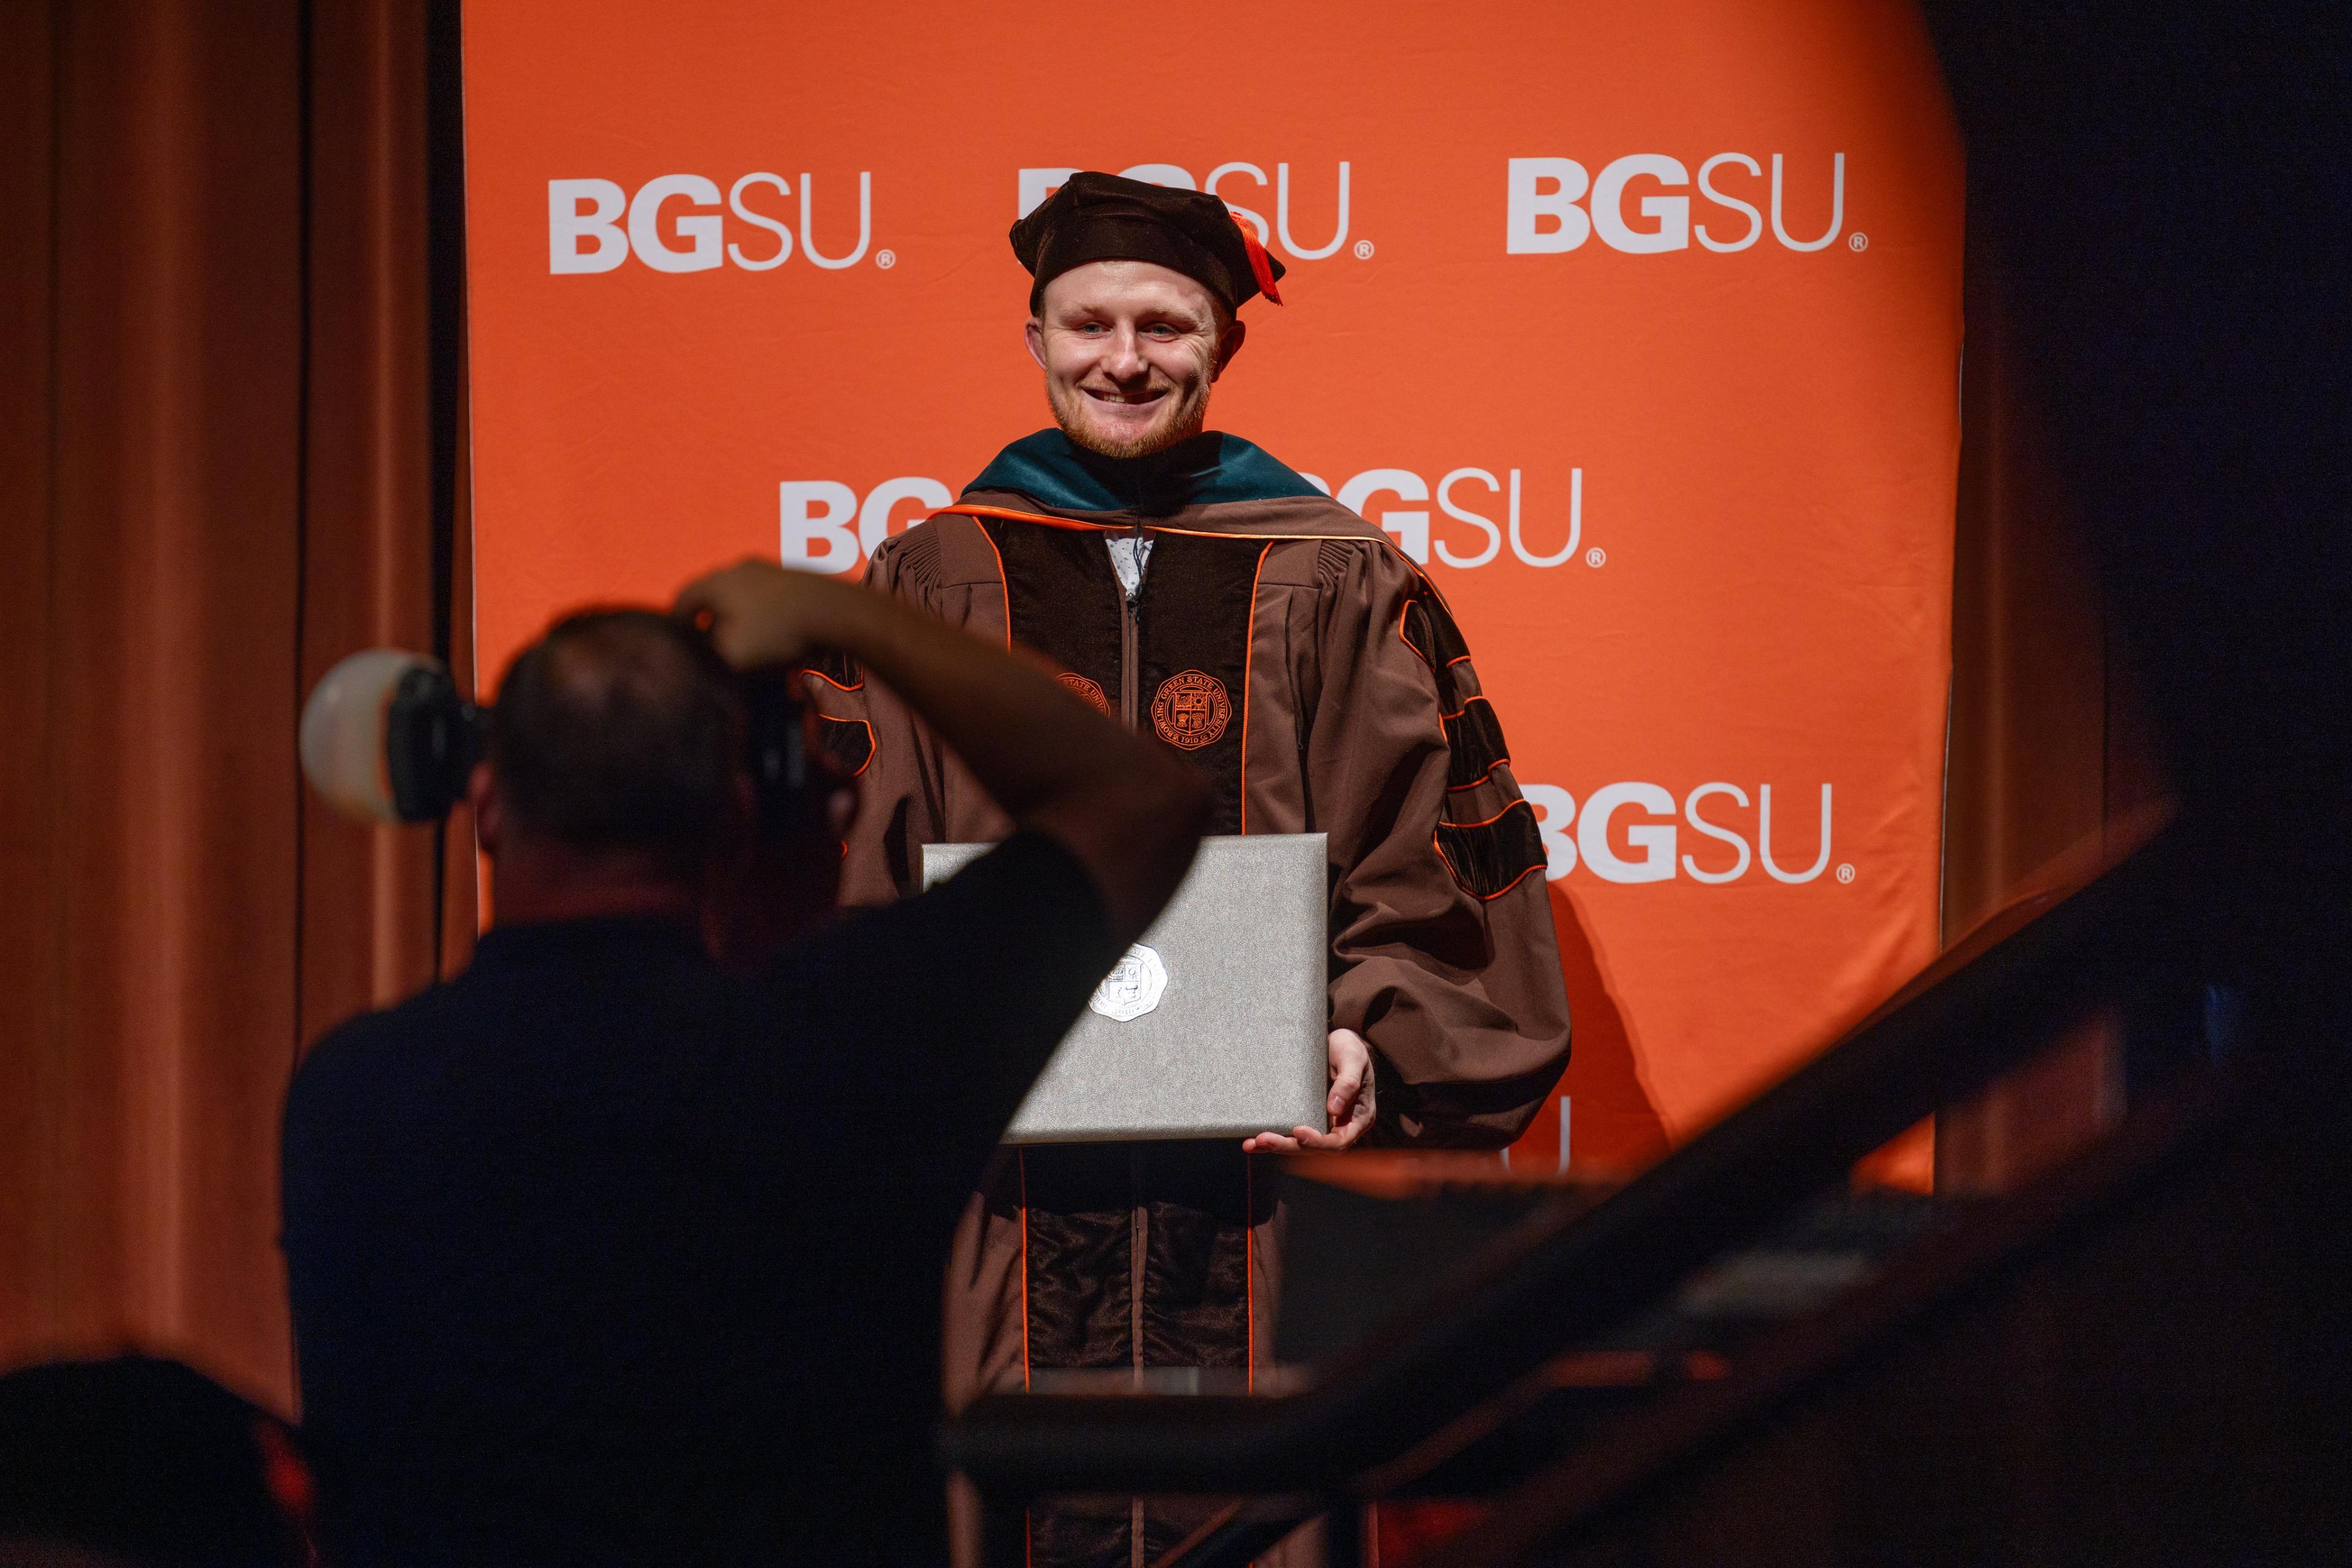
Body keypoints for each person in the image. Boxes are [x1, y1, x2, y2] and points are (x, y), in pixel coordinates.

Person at [806, 171, 1573, 1566]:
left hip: (1261, 1197)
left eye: (1164, 325)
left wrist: (1368, 1040)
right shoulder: (934, 578)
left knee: (1261, 1503)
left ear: (1223, 339)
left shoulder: (1340, 577)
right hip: (1002, 1209)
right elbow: (850, 878)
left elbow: (1426, 868)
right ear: (1035, 336)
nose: (1124, 359)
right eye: (1087, 323)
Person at [279, 565, 1208, 1566]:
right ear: (744, 811)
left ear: (489, 804)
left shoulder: (350, 1097)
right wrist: (844, 614)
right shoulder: (849, 1046)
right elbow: (1140, 798)